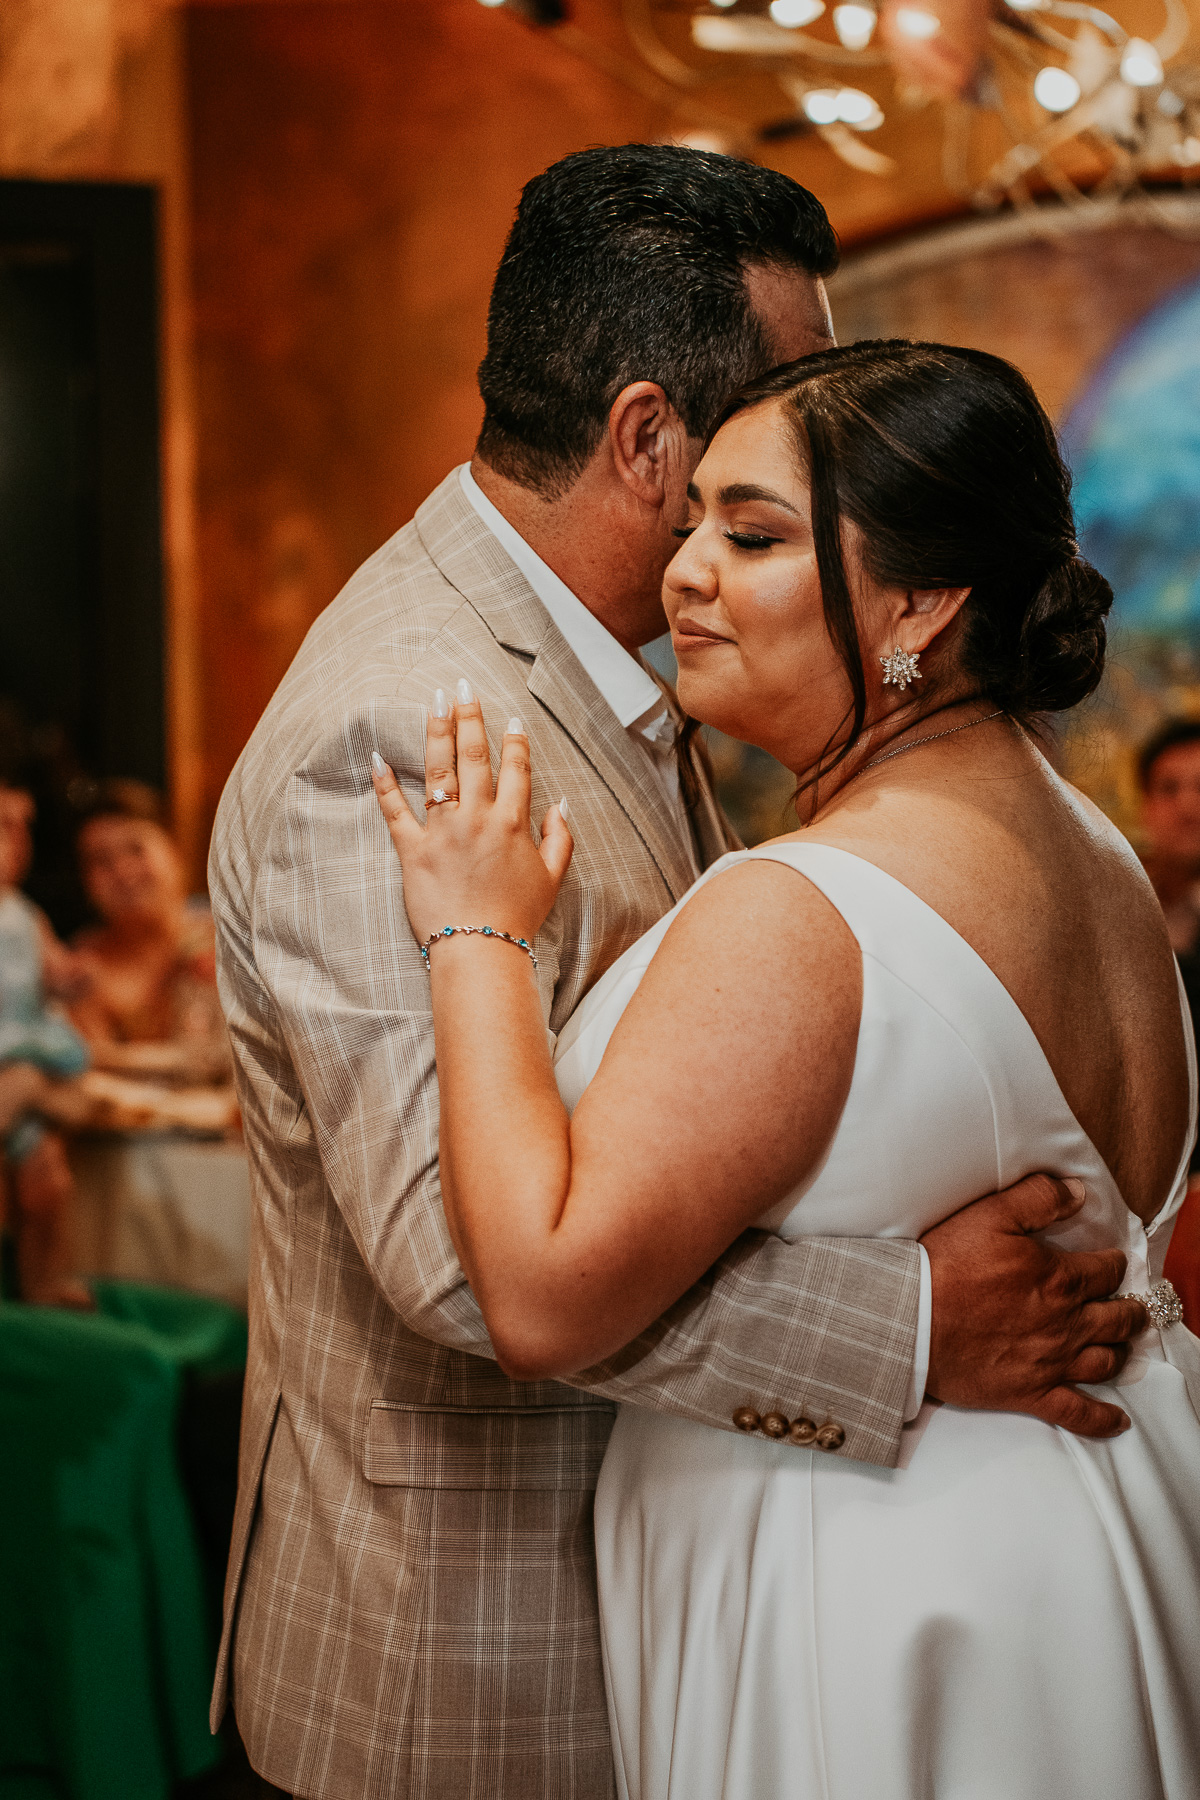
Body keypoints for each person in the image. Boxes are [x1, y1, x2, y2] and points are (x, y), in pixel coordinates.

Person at [210, 149, 1146, 1800]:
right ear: (650, 438)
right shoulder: (409, 721)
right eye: (784, 405)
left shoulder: (679, 681)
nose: (823, 432)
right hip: (479, 1660)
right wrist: (913, 1324)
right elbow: (458, 1259)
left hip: (820, 1592)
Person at [372, 339, 1200, 1799]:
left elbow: (543, 1290)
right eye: (691, 519)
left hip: (872, 1592)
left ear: (921, 605)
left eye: (750, 535)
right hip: (1098, 1534)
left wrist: (476, 932)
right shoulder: (1102, 861)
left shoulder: (803, 909)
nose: (683, 570)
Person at [69, 782, 230, 1088]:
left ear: (175, 851)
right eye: (101, 860)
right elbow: (87, 1073)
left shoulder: (228, 934)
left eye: (136, 849)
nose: (122, 871)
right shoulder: (81, 966)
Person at [0, 783, 92, 1306]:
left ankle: (42, 1283)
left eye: (18, 831)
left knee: (48, 1185)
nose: (12, 844)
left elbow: (52, 971)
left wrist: (70, 978)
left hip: (29, 1051)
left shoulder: (25, 915)